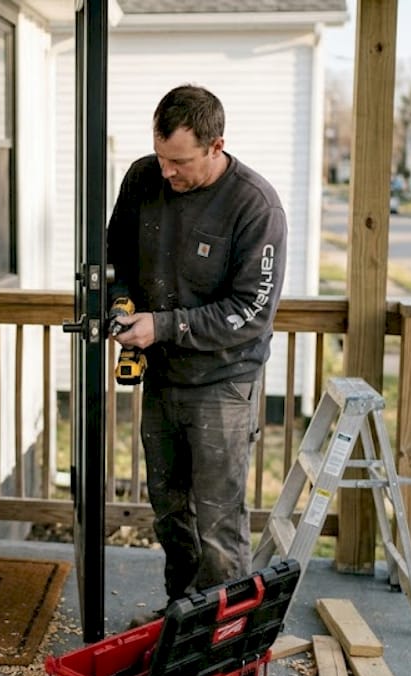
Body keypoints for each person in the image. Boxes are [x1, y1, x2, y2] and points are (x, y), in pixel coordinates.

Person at [106, 85, 287, 622]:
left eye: (179, 162)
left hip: (224, 383)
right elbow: (112, 253)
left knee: (218, 520)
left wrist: (161, 326)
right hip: (163, 376)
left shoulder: (254, 204)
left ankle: (222, 642)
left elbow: (251, 310)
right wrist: (117, 301)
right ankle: (180, 620)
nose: (167, 172)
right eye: (161, 157)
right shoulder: (142, 177)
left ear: (216, 145)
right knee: (169, 511)